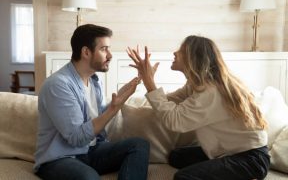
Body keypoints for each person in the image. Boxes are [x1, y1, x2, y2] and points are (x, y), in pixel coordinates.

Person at [126, 35, 270, 180]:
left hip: (251, 159)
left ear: (193, 58)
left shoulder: (211, 92)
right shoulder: (196, 85)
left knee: (183, 177)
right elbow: (168, 102)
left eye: (181, 50)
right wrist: (149, 81)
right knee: (176, 157)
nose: (174, 53)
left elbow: (175, 121)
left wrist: (149, 82)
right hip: (230, 151)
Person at [34, 24, 150, 180]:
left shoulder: (94, 81)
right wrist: (113, 109)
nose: (110, 55)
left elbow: (97, 121)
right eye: (104, 49)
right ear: (86, 52)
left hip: (91, 151)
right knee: (89, 177)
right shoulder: (58, 85)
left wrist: (123, 96)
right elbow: (77, 138)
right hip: (60, 158)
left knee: (139, 145)